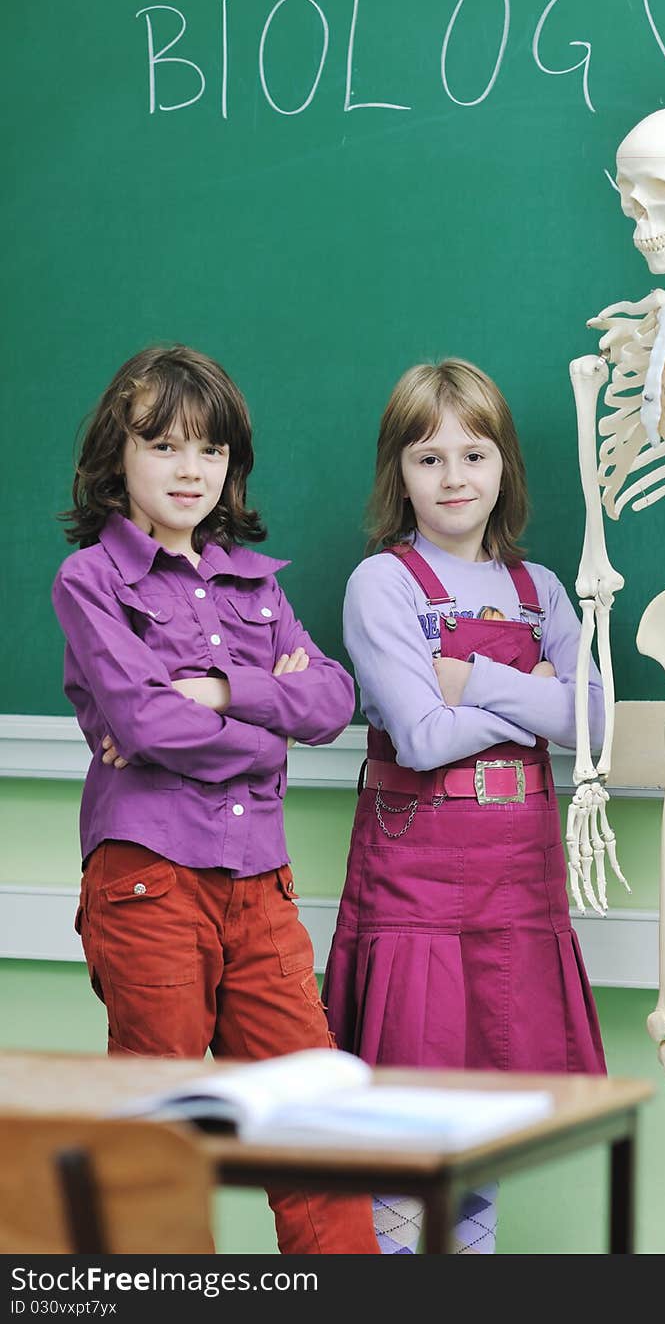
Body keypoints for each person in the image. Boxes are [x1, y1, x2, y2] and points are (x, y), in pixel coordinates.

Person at [52, 344, 379, 1255]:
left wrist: (227, 691)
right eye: (163, 446)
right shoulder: (92, 582)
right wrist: (266, 728)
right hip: (150, 883)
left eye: (211, 450)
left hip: (261, 888)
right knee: (162, 1134)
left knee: (313, 1126)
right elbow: (149, 726)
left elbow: (336, 700)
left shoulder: (256, 584)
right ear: (117, 457)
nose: (190, 469)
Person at [322, 358, 606, 1254]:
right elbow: (421, 740)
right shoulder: (384, 585)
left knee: (482, 1120)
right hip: (417, 885)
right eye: (428, 457)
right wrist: (533, 693)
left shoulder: (544, 589)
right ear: (396, 475)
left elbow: (596, 721)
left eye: (474, 455)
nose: (453, 478)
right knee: (411, 1120)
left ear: (504, 468)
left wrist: (469, 677)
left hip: (516, 882)